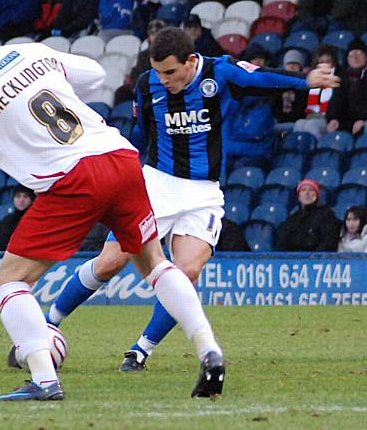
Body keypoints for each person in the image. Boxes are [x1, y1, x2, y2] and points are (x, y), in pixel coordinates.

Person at [0, 0, 226, 402]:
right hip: (121, 158)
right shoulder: (30, 51)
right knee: (156, 264)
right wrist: (47, 77)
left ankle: (44, 379)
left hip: (75, 178)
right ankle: (209, 350)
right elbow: (95, 73)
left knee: (10, 281)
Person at [44, 26, 340, 372]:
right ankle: (48, 324)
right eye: (158, 71)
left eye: (170, 71)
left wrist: (307, 81)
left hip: (202, 192)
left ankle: (140, 351)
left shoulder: (219, 71)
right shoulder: (147, 85)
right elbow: (140, 136)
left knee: (186, 272)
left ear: (190, 61)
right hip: (156, 184)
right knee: (111, 262)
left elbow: (261, 77)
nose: (164, 79)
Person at [226, 44, 275, 172]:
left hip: (256, 153)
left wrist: (237, 134)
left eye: (261, 58)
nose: (258, 61)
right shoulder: (235, 93)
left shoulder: (269, 91)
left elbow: (254, 131)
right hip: (234, 151)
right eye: (253, 59)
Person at [277, 179, 340, 252]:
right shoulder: (293, 218)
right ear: (299, 196)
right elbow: (283, 241)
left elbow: (328, 241)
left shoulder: (327, 215)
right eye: (303, 190)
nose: (307, 193)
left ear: (316, 195)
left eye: (311, 190)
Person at [114, 18, 167, 104]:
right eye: (153, 34)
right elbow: (138, 74)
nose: (155, 37)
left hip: (164, 85)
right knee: (121, 92)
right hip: (146, 86)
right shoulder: (143, 55)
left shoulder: (171, 53)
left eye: (158, 34)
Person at [293, 46, 339, 139]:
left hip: (327, 119)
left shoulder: (337, 80)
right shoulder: (313, 81)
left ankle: (320, 149)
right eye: (321, 62)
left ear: (333, 64)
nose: (324, 64)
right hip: (311, 117)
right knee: (299, 123)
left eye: (327, 61)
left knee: (311, 125)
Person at [326, 39, 367, 136]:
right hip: (345, 121)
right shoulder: (342, 76)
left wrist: (363, 119)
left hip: (364, 120)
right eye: (351, 55)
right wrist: (333, 118)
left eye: (359, 53)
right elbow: (336, 99)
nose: (355, 57)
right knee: (309, 125)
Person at [0, 185, 36, 251]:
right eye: (18, 196)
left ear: (31, 200)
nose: (21, 200)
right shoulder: (6, 221)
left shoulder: (35, 221)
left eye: (25, 197)